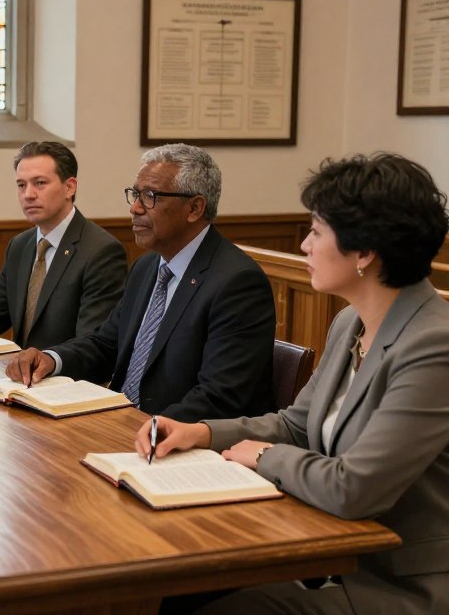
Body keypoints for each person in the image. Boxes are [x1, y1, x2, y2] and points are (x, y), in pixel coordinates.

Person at [138, 153, 449, 615]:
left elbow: (356, 488)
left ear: (364, 252)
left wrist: (264, 455)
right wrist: (200, 432)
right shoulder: (349, 322)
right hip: (329, 553)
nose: (304, 246)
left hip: (400, 582)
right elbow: (298, 425)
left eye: (317, 232)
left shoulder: (434, 345)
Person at [7, 143, 274, 422]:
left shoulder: (237, 283)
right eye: (135, 194)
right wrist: (51, 359)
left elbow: (220, 396)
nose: (135, 208)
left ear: (194, 208)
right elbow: (106, 345)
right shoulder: (148, 267)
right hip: (124, 423)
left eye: (150, 196)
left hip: (175, 439)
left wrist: (141, 428)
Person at [0, 141, 127, 348]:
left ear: (69, 187)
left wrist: (48, 361)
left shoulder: (101, 251)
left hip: (67, 376)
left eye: (39, 183)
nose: (28, 194)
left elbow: (93, 342)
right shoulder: (20, 245)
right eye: (21, 185)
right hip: (18, 374)